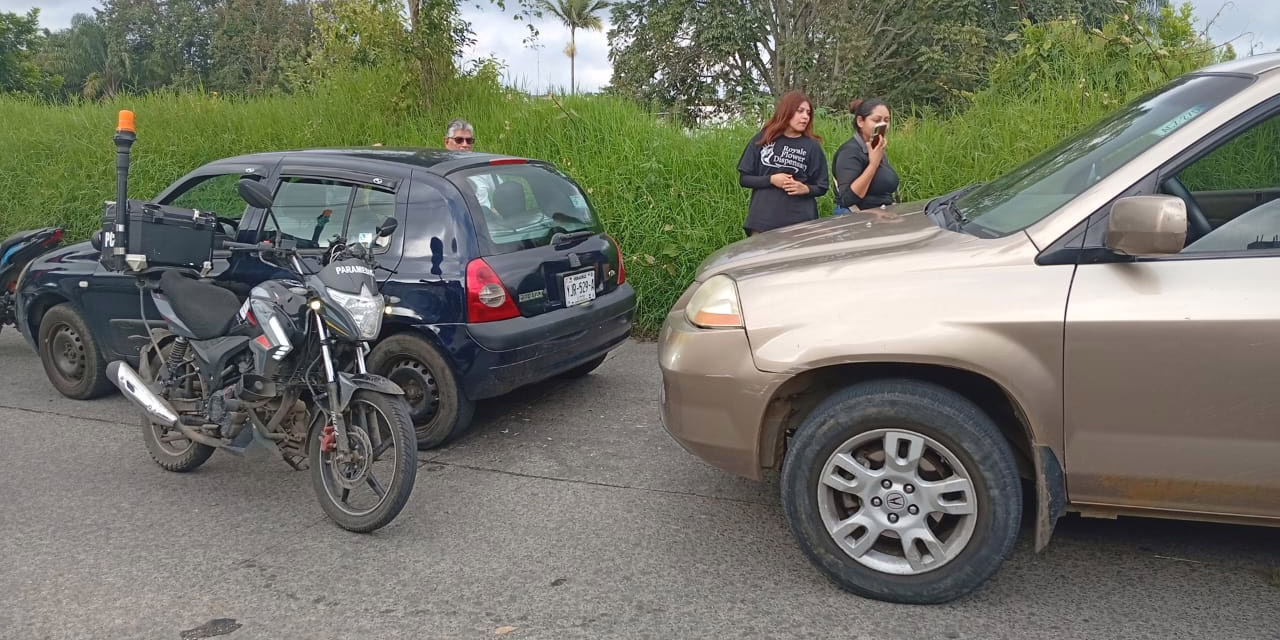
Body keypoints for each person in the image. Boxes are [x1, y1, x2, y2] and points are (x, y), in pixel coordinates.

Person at [737, 90, 830, 236]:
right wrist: (771, 179)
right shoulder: (764, 138)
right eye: (800, 111)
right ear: (787, 111)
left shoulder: (812, 146)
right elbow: (744, 179)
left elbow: (822, 186)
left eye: (808, 113)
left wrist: (805, 189)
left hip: (801, 224)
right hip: (763, 222)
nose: (805, 117)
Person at [832, 98, 899, 215]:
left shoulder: (877, 149)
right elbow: (847, 199)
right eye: (876, 120)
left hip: (884, 215)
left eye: (887, 120)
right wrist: (873, 165)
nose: (883, 125)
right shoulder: (849, 152)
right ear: (860, 121)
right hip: (859, 220)